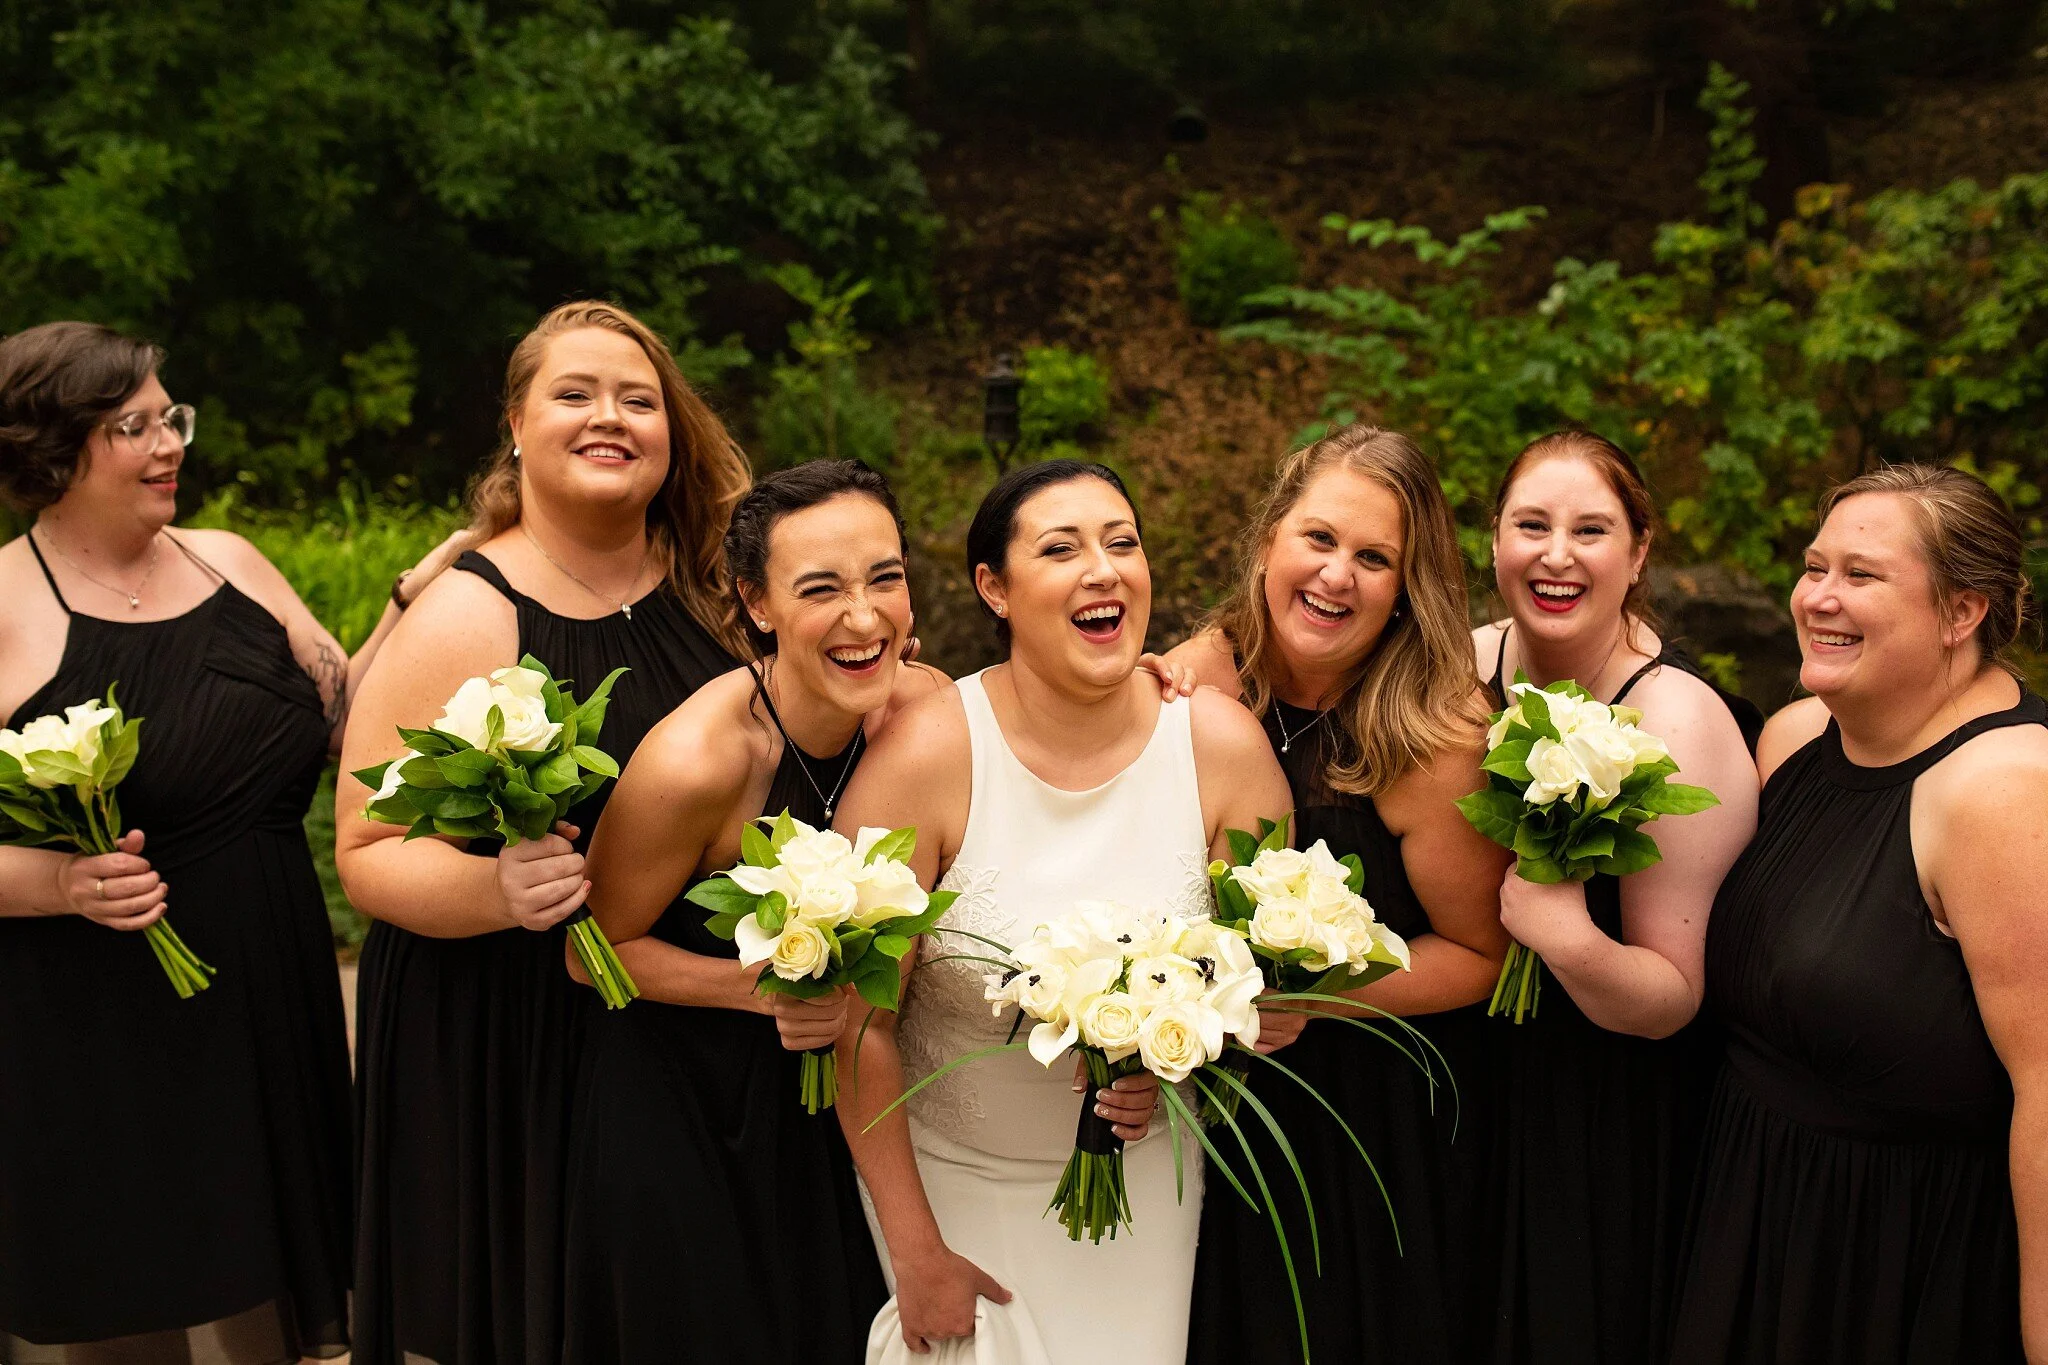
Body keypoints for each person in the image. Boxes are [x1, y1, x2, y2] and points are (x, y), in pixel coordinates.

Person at [0, 320, 462, 1360]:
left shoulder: (230, 563)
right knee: (135, 1304)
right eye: (135, 426)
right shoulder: (4, 607)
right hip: (100, 1015)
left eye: (173, 418)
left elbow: (346, 718)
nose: (170, 444)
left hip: (268, 979)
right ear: (53, 448)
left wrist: (418, 594)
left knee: (286, 1307)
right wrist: (65, 883)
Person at [335, 300, 748, 1365]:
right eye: (574, 394)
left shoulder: (716, 583)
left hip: (680, 1017)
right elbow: (366, 850)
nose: (608, 417)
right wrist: (493, 892)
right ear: (516, 426)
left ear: (672, 432)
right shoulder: (465, 615)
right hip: (502, 1030)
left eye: (637, 399)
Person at [835, 459, 1293, 1364]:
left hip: (1149, 1184)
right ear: (993, 588)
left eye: (1123, 542)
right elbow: (858, 1026)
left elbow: (1274, 987)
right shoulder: (925, 755)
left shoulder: (1221, 747)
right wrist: (917, 1251)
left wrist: (1186, 1048)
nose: (1104, 568)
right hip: (952, 1190)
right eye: (1062, 548)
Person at [1670, 462, 2046, 1364]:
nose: (1819, 598)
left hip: (1901, 1265)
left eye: (1861, 575)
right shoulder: (1797, 736)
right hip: (1752, 1220)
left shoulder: (2004, 795)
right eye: (1814, 567)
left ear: (1964, 611)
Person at [559, 460, 926, 1362]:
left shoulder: (920, 709)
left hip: (825, 1102)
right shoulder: (700, 761)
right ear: (757, 605)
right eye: (822, 589)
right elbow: (590, 953)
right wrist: (760, 988)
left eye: (886, 577)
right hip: (683, 1110)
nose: (865, 617)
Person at [1171, 423, 1513, 1364]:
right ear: (1271, 539)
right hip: (1198, 1098)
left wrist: (1316, 996)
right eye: (1319, 540)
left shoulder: (1434, 736)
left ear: (1408, 590)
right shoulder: (1194, 682)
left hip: (1364, 1122)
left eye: (1374, 558)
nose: (1336, 576)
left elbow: (1481, 958)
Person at [1470, 430, 1761, 1364]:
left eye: (1591, 529)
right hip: (1467, 1095)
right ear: (1494, 540)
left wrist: (1570, 941)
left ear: (1637, 553)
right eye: (1532, 524)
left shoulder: (1677, 718)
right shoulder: (1456, 669)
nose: (1556, 554)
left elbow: (1674, 1000)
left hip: (1597, 1125)